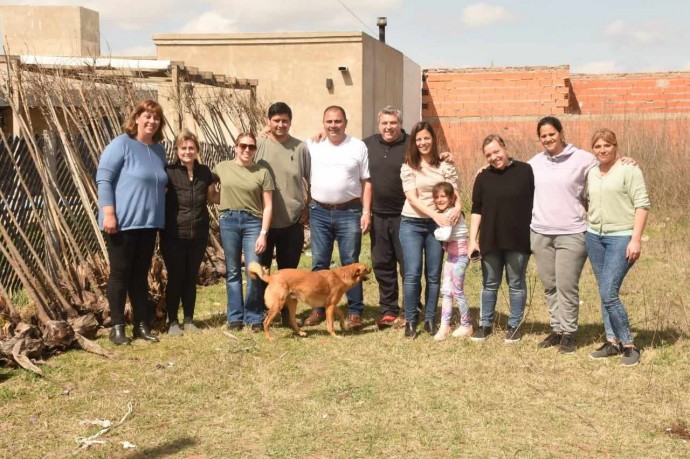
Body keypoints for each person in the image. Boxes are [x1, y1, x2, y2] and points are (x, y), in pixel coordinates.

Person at [96, 99, 168, 345]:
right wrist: (109, 214)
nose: (151, 121)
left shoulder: (159, 150)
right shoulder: (121, 144)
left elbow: (158, 181)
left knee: (140, 275)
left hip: (148, 223)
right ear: (136, 118)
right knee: (120, 274)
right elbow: (104, 179)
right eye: (147, 116)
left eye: (156, 118)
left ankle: (141, 325)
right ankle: (117, 328)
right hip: (122, 222)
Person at [528, 116, 598, 354]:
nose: (547, 139)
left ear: (560, 132)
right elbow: (511, 172)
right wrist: (486, 168)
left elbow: (608, 166)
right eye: (543, 136)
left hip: (572, 233)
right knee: (550, 285)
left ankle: (569, 333)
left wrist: (627, 162)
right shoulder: (535, 163)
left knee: (567, 285)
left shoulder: (583, 159)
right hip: (541, 233)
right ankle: (556, 329)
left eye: (551, 134)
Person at [304, 105, 371, 331]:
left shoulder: (357, 146)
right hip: (319, 212)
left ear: (345, 122)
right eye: (329, 121)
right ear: (323, 123)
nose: (333, 125)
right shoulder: (312, 144)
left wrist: (366, 212)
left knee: (351, 264)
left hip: (349, 211)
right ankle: (318, 309)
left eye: (338, 121)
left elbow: (366, 181)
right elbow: (284, 143)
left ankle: (354, 312)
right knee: (319, 263)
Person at [585, 129, 649, 366]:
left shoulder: (629, 170)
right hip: (594, 237)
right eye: (598, 146)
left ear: (616, 146)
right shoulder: (592, 172)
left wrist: (636, 239)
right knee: (604, 290)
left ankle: (630, 346)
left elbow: (642, 205)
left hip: (621, 238)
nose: (602, 150)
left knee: (609, 292)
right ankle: (612, 342)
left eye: (607, 146)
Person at [468, 134, 535, 343]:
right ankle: (485, 324)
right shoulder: (482, 177)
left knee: (516, 284)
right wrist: (472, 240)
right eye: (488, 155)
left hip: (518, 239)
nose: (493, 157)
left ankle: (514, 326)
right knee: (489, 284)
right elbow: (476, 210)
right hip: (490, 239)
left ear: (505, 147)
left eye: (496, 151)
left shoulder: (525, 171)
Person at [399, 121, 461, 339]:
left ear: (433, 139)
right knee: (412, 273)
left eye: (426, 138)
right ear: (414, 143)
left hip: (438, 227)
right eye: (419, 140)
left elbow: (455, 192)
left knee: (433, 275)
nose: (423, 142)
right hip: (412, 224)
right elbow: (411, 197)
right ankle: (411, 321)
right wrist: (435, 215)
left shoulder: (444, 164)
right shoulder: (409, 165)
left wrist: (458, 208)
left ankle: (430, 320)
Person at [255, 102, 310, 326]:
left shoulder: (300, 148)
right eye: (276, 120)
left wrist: (307, 207)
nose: (280, 125)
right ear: (268, 121)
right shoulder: (258, 145)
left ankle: (288, 315)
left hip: (292, 221)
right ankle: (260, 313)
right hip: (263, 222)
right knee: (262, 272)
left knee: (289, 273)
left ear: (290, 122)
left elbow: (310, 179)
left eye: (284, 120)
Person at [212, 133, 274, 332]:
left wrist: (263, 233)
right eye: (243, 146)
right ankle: (235, 317)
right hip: (229, 221)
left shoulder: (262, 172)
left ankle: (254, 316)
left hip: (253, 223)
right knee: (232, 271)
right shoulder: (222, 168)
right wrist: (223, 200)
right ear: (235, 147)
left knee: (253, 270)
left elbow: (268, 206)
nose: (247, 150)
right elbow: (210, 191)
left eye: (251, 147)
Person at [160, 129, 215, 336]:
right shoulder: (168, 172)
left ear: (197, 150)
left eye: (191, 148)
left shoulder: (204, 172)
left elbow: (212, 197)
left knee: (190, 277)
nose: (187, 151)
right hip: (173, 234)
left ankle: (189, 319)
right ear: (176, 150)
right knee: (176, 277)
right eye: (183, 148)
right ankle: (173, 321)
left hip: (198, 234)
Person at [363, 106, 409, 329]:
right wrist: (319, 136)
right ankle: (389, 309)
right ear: (378, 124)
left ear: (400, 124)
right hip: (378, 216)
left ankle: (412, 308)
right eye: (384, 123)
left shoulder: (411, 145)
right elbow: (343, 147)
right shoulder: (368, 144)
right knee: (382, 264)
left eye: (393, 123)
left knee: (407, 264)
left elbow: (433, 158)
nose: (389, 127)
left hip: (406, 217)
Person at [431, 181, 472, 341]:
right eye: (436, 197)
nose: (439, 199)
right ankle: (445, 325)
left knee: (457, 291)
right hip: (451, 257)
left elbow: (445, 235)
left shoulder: (451, 214)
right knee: (446, 290)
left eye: (443, 196)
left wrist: (435, 232)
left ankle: (466, 324)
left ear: (451, 198)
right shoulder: (449, 211)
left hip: (460, 257)